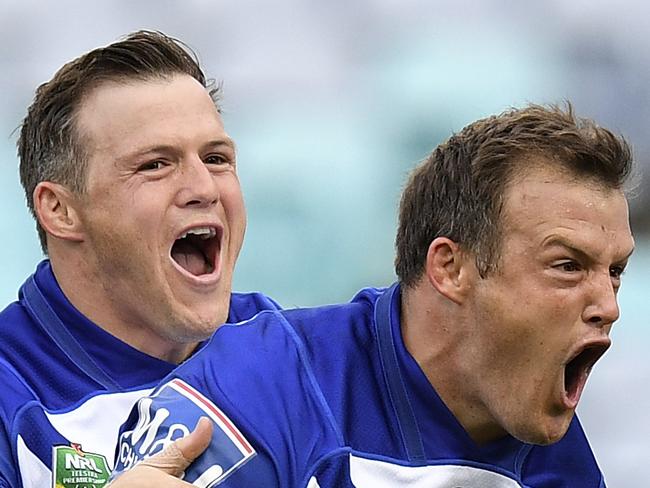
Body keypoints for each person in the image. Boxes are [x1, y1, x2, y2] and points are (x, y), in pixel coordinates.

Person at [112, 104, 634, 487]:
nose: (608, 306)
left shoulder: (560, 463)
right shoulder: (258, 390)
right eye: (567, 266)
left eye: (614, 272)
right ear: (449, 269)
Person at [0, 31, 281, 488]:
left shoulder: (288, 353)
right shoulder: (12, 391)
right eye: (155, 164)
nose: (204, 188)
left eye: (215, 158)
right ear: (60, 210)